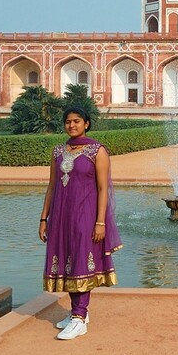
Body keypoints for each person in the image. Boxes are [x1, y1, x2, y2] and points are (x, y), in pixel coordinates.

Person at [39, 106, 122, 341]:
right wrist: (44, 218)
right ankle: (78, 314)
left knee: (82, 263)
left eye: (77, 121)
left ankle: (78, 317)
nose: (72, 125)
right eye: (68, 121)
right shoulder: (58, 151)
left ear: (87, 123)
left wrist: (100, 222)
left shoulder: (97, 150)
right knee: (68, 260)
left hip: (86, 217)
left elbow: (103, 188)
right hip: (61, 216)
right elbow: (52, 187)